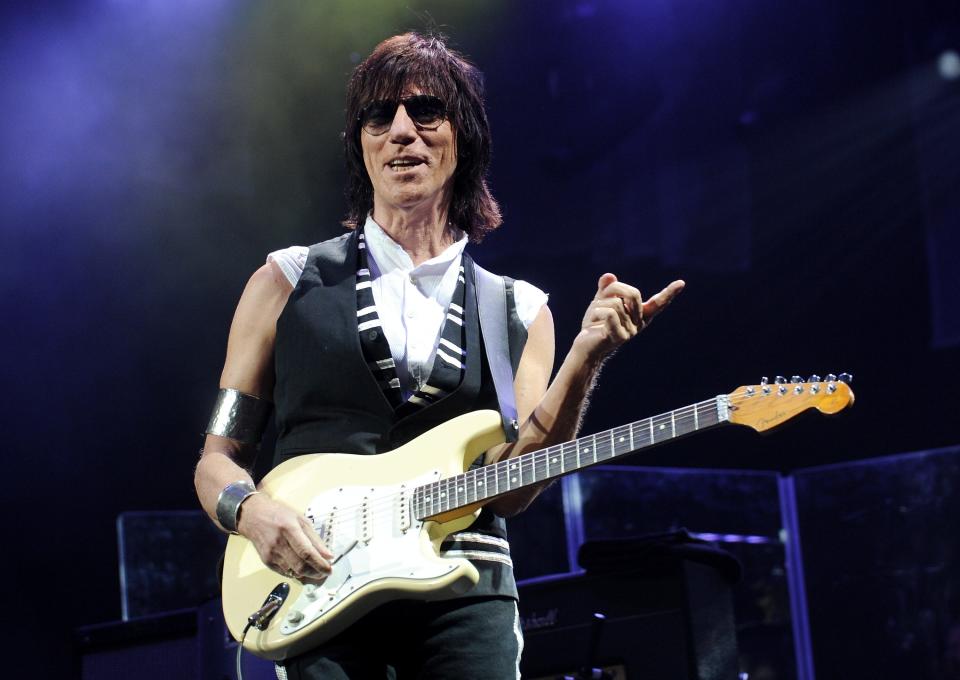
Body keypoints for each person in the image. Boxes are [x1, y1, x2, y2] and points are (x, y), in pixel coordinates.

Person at [194, 32, 684, 680]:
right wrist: (251, 514)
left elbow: (513, 492)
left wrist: (585, 358)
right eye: (379, 116)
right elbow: (216, 460)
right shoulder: (285, 282)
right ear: (360, 144)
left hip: (464, 586)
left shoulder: (518, 310)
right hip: (316, 581)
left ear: (464, 139)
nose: (402, 131)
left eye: (425, 112)